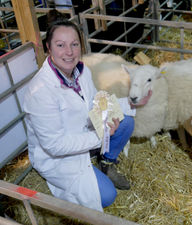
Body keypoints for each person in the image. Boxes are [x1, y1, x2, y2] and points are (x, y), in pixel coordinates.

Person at [23, 17, 134, 212]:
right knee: (107, 196)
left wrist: (129, 104)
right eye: (60, 45)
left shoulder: (83, 72)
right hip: (59, 157)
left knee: (127, 122)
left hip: (84, 134)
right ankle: (96, 164)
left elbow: (93, 103)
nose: (69, 52)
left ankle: (106, 163)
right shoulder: (40, 92)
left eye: (74, 44)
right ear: (48, 47)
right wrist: (100, 136)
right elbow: (55, 146)